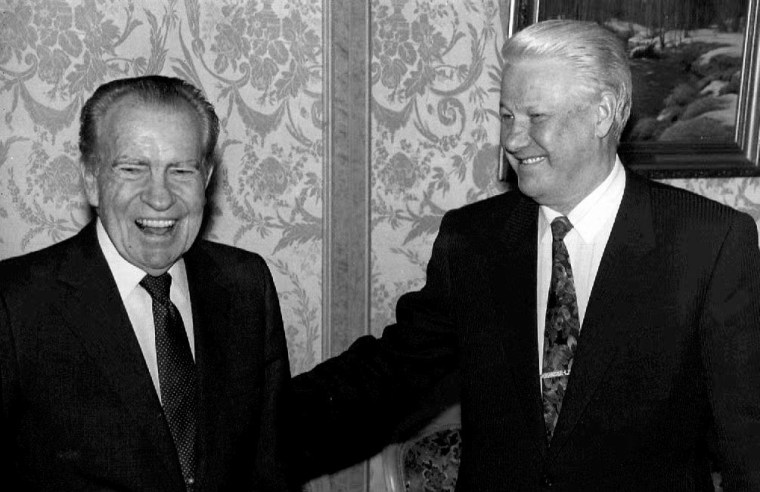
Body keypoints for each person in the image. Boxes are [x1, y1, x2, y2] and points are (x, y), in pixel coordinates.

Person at [290, 20, 760, 490]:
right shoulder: (474, 240)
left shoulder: (708, 243)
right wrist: (244, 426)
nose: (513, 140)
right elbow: (388, 377)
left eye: (536, 117)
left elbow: (747, 441)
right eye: (506, 117)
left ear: (602, 114)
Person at [0, 76, 295, 491]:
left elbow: (269, 471)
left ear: (206, 179)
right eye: (133, 168)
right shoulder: (16, 303)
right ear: (90, 178)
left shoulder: (245, 286)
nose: (160, 197)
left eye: (181, 170)